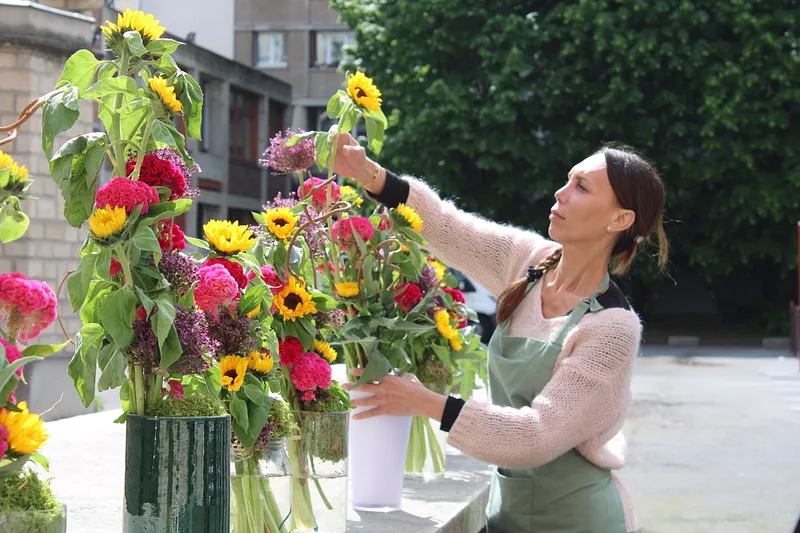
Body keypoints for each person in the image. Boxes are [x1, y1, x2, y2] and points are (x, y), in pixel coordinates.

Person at [334, 132, 668, 533]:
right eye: (567, 179)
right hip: (505, 515)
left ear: (620, 219)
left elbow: (536, 437)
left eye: (581, 187)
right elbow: (446, 226)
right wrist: (371, 175)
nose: (560, 193)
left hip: (577, 521)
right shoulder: (529, 264)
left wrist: (427, 403)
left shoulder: (612, 327)